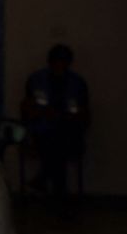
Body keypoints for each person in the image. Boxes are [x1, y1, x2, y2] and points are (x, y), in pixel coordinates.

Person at [21, 44, 91, 206]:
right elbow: (26, 110)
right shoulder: (37, 80)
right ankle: (59, 197)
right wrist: (42, 113)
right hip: (42, 134)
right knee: (53, 144)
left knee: (59, 142)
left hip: (70, 134)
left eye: (63, 62)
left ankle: (44, 180)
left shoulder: (77, 83)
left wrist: (68, 116)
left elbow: (85, 116)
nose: (59, 66)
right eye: (56, 61)